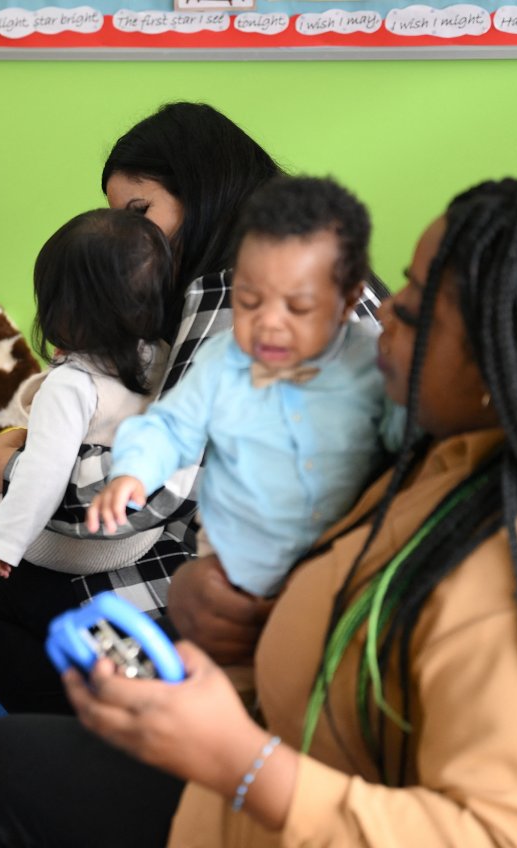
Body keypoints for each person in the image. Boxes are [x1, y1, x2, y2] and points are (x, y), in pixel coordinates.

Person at [0, 175, 517, 847]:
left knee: (2, 771)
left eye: (419, 294)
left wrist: (240, 761)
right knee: (13, 757)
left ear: (511, 354)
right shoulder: (445, 457)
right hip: (288, 761)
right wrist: (244, 631)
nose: (387, 307)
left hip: (281, 797)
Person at [0, 102, 387, 713]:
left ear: (202, 189)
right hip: (326, 564)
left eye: (141, 213)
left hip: (275, 592)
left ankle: (102, 762)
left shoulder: (233, 298)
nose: (133, 239)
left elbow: (136, 497)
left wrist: (5, 471)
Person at [89, 175, 401, 600]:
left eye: (298, 306)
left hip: (336, 555)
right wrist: (135, 470)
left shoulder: (372, 365)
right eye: (251, 301)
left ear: (346, 303)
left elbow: (410, 443)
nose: (269, 323)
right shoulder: (225, 358)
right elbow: (172, 425)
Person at [0, 208, 173, 584]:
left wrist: (5, 542)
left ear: (61, 311)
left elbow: (43, 473)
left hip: (82, 546)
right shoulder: (162, 355)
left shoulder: (70, 387)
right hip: (143, 532)